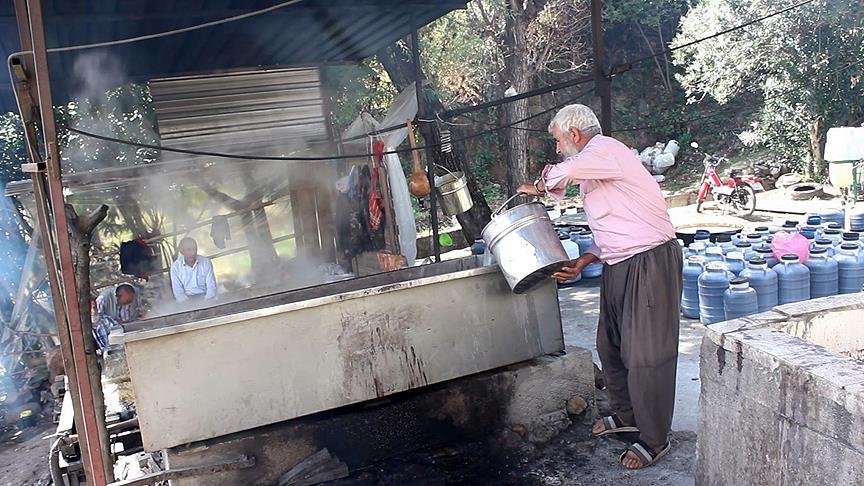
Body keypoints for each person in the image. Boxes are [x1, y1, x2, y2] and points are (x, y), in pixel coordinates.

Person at [518, 104, 682, 470]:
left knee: (647, 355)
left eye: (559, 141)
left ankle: (655, 439)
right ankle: (626, 416)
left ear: (574, 135)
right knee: (611, 347)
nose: (558, 149)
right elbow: (614, 226)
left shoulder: (605, 150)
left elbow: (566, 170)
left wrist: (540, 185)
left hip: (649, 260)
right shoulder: (595, 170)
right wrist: (586, 259)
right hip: (618, 262)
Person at [170, 237, 217, 302]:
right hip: (185, 300)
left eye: (195, 249)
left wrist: (207, 301)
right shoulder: (175, 267)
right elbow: (178, 291)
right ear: (182, 252)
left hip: (205, 297)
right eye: (189, 250)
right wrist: (187, 304)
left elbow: (211, 286)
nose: (193, 252)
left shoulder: (206, 262)